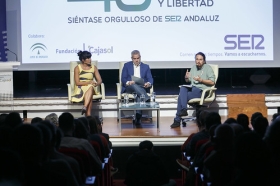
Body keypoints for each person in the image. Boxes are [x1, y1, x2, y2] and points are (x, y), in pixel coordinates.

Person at [170, 52, 215, 128]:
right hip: (193, 88)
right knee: (183, 88)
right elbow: (189, 81)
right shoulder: (193, 68)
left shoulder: (208, 68)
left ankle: (177, 120)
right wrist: (186, 77)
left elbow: (212, 81)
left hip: (202, 91)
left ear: (204, 60)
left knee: (181, 97)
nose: (198, 61)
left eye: (200, 59)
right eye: (197, 59)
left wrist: (201, 80)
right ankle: (184, 110)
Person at [121, 50, 154, 125]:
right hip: (130, 87)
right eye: (135, 58)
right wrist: (129, 82)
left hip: (141, 87)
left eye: (138, 58)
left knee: (139, 95)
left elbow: (150, 79)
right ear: (132, 58)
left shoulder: (146, 67)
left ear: (140, 57)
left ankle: (138, 118)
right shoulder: (126, 65)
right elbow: (123, 78)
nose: (136, 60)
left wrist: (148, 84)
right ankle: (147, 98)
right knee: (134, 84)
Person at [72, 51, 102, 116]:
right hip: (80, 88)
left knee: (90, 87)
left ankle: (85, 106)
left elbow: (99, 80)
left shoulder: (93, 68)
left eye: (90, 58)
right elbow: (77, 83)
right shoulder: (77, 68)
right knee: (90, 94)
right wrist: (88, 82)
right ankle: (88, 115)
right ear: (83, 60)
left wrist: (96, 84)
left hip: (91, 87)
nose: (90, 59)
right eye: (88, 58)